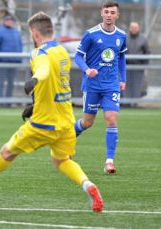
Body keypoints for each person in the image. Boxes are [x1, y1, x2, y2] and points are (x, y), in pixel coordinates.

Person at [0, 12, 104, 213]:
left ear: (34, 33)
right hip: (66, 120)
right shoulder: (61, 51)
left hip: (44, 123)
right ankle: (88, 185)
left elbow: (43, 70)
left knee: (7, 151)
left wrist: (34, 80)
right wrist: (35, 103)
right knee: (62, 160)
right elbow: (54, 83)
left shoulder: (39, 53)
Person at [73, 1, 127, 174]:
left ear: (117, 15)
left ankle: (109, 162)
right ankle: (65, 142)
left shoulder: (121, 35)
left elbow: (121, 58)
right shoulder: (91, 34)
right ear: (101, 13)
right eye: (107, 12)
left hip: (111, 85)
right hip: (93, 85)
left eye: (113, 12)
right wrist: (87, 69)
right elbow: (78, 57)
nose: (109, 15)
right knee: (87, 122)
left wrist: (122, 78)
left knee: (111, 119)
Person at [0, 14, 22, 98]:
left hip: (14, 61)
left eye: (11, 20)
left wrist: (19, 58)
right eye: (8, 20)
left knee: (11, 82)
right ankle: (0, 101)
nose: (9, 22)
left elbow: (20, 45)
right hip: (3, 61)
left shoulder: (16, 31)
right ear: (4, 21)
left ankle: (8, 101)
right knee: (1, 81)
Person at [125, 21, 150, 99]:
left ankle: (136, 102)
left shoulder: (143, 39)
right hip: (126, 67)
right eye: (132, 27)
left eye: (135, 27)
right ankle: (126, 102)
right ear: (129, 28)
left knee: (138, 85)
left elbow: (147, 52)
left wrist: (144, 66)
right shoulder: (124, 38)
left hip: (138, 67)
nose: (133, 29)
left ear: (138, 28)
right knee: (126, 84)